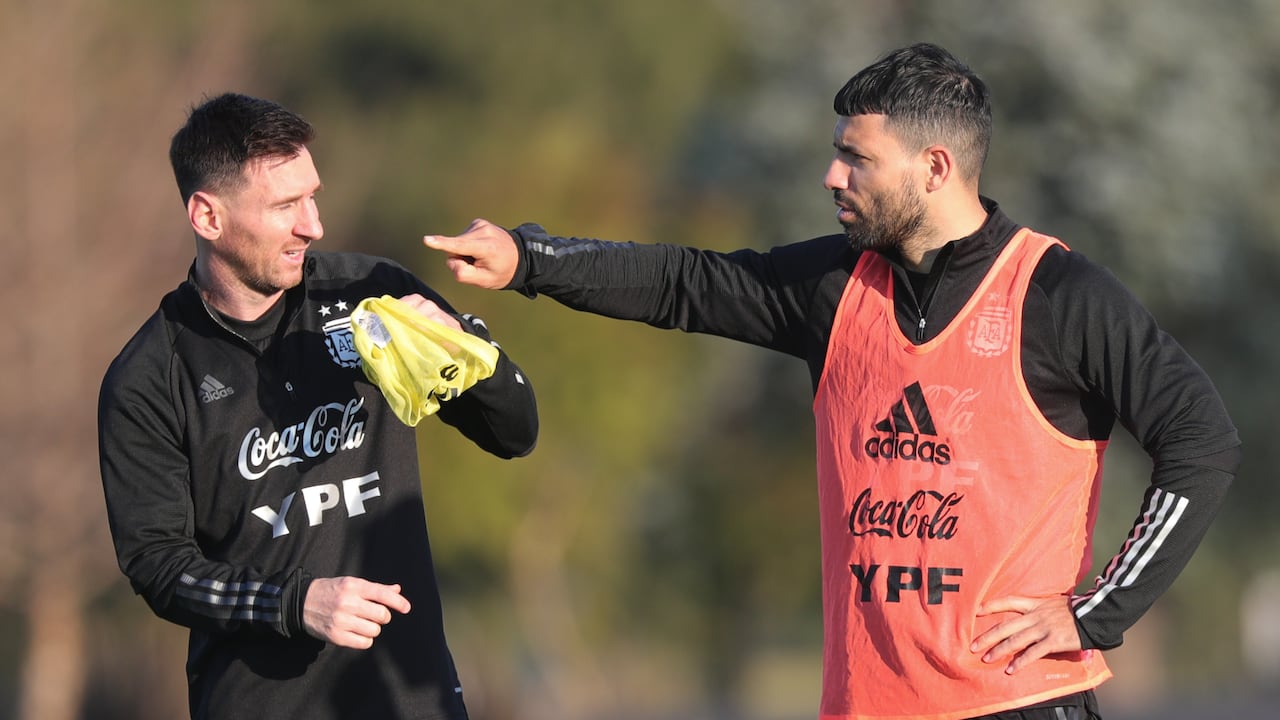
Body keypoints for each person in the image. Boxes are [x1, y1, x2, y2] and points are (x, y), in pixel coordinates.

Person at [422, 43, 1240, 720]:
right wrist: (530, 259)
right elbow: (682, 282)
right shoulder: (834, 288)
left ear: (935, 166)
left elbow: (1202, 441)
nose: (831, 176)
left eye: (856, 157)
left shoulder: (1058, 295)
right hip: (863, 705)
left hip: (1021, 703)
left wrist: (1096, 614)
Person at [97, 93, 538, 720]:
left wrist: (467, 351)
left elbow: (516, 433)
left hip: (413, 702)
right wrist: (293, 603)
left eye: (313, 195)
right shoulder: (147, 378)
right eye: (285, 206)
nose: (314, 224)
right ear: (207, 216)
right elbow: (158, 566)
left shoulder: (371, 295)